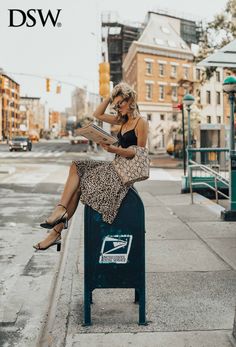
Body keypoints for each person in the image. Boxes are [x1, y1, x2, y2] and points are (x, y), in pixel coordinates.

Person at [33, 82, 148, 251]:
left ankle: (55, 232)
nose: (117, 107)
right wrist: (110, 96)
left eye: (120, 103)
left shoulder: (141, 122)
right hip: (114, 166)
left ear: (129, 99)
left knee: (79, 186)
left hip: (122, 175)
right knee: (76, 165)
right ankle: (60, 210)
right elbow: (97, 114)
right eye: (115, 105)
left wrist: (113, 149)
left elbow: (138, 153)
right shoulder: (121, 120)